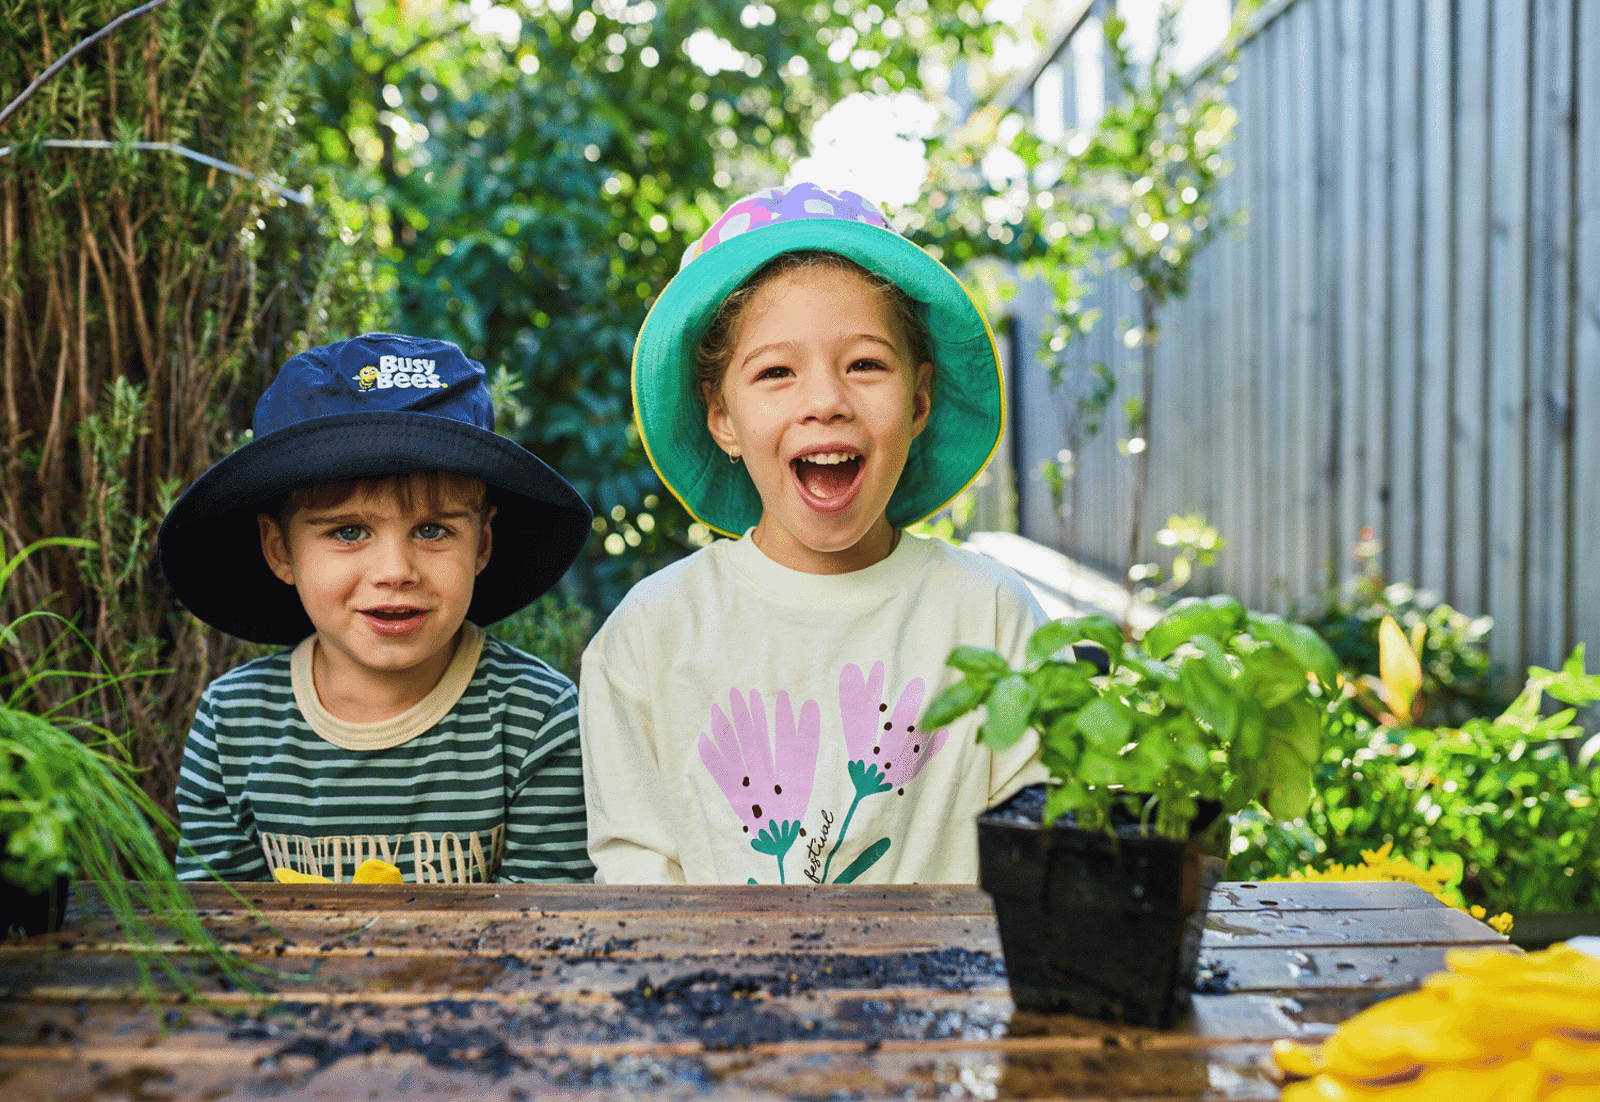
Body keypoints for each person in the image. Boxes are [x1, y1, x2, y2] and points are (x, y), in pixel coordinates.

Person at [580, 182, 1049, 885]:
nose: (826, 401)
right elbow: (638, 886)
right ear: (723, 419)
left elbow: (1042, 860)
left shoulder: (991, 615)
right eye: (775, 372)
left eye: (864, 364)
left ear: (919, 399)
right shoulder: (650, 636)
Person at [156, 333, 596, 883]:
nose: (395, 570)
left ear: (481, 544)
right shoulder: (234, 723)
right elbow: (221, 932)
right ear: (279, 550)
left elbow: (546, 935)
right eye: (348, 531)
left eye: (433, 530)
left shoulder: (533, 718)